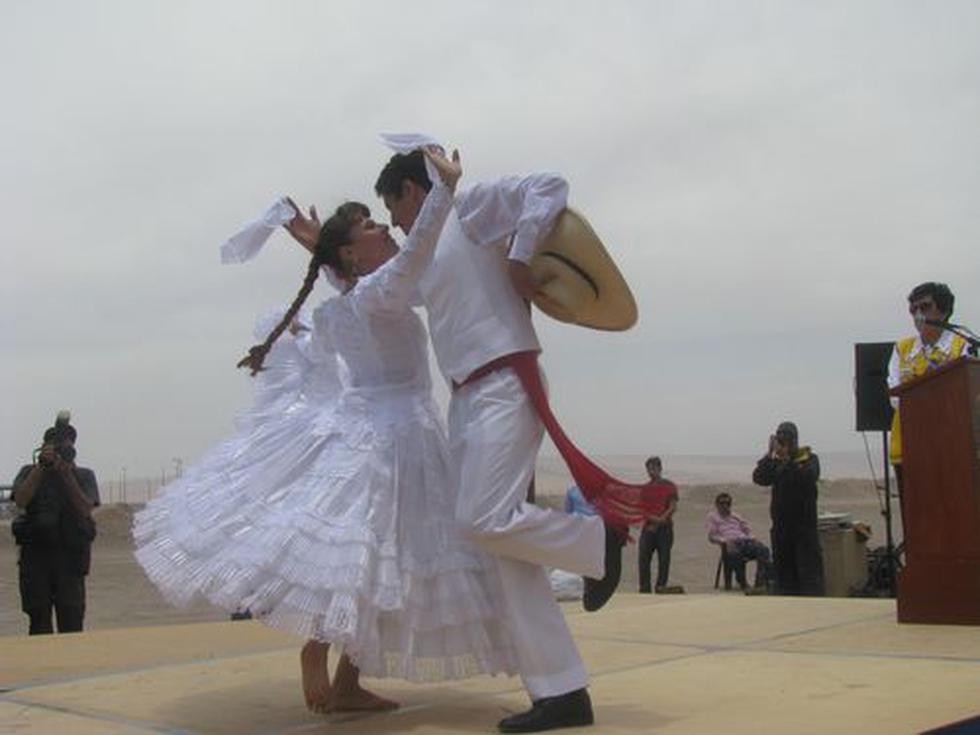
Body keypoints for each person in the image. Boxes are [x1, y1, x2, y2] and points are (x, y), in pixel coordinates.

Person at [137, 149, 518, 715]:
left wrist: (320, 245)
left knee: (374, 561)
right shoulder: (381, 292)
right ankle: (321, 653)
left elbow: (368, 272)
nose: (384, 227)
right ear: (351, 253)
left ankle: (346, 683)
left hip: (368, 432)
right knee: (378, 558)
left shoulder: (346, 304)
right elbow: (416, 252)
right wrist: (445, 189)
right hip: (397, 440)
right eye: (370, 226)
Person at [372, 141, 614, 732]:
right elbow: (387, 294)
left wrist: (519, 260)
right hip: (466, 399)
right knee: (502, 549)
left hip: (505, 381)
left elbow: (549, 184)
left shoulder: (471, 208)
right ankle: (562, 690)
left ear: (412, 191)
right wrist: (326, 253)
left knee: (483, 520)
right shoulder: (425, 253)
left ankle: (600, 540)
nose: (395, 224)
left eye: (393, 208)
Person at [12, 414, 99, 635]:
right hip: (36, 559)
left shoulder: (83, 475)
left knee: (72, 624)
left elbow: (85, 508)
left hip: (70, 560)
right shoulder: (29, 472)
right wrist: (41, 467)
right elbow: (21, 500)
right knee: (39, 624)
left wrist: (67, 475)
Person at [887, 282, 967, 507]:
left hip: (953, 447)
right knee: (915, 514)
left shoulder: (963, 345)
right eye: (913, 310)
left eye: (925, 307)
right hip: (908, 448)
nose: (918, 315)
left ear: (944, 310)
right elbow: (895, 398)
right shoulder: (902, 349)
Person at [752, 422, 824, 596]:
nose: (783, 444)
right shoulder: (776, 463)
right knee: (784, 578)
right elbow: (759, 477)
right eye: (780, 439)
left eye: (785, 439)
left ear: (794, 440)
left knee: (809, 577)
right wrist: (769, 454)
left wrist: (788, 460)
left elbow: (808, 477)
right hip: (781, 528)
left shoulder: (808, 458)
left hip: (804, 528)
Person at [706, 492, 772, 591]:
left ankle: (760, 583)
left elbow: (747, 529)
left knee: (763, 550)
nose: (725, 506)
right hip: (730, 542)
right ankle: (742, 582)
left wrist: (753, 538)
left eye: (728, 503)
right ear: (717, 505)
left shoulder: (736, 516)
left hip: (744, 540)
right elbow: (712, 536)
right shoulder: (713, 517)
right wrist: (724, 542)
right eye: (722, 503)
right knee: (735, 554)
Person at [636, 457, 682, 594]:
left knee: (664, 560)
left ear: (660, 468)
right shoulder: (645, 489)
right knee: (643, 559)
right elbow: (642, 509)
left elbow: (673, 506)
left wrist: (661, 519)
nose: (651, 471)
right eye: (649, 469)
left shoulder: (669, 485)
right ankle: (645, 589)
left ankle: (661, 587)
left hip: (665, 528)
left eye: (654, 468)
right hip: (648, 527)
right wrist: (654, 520)